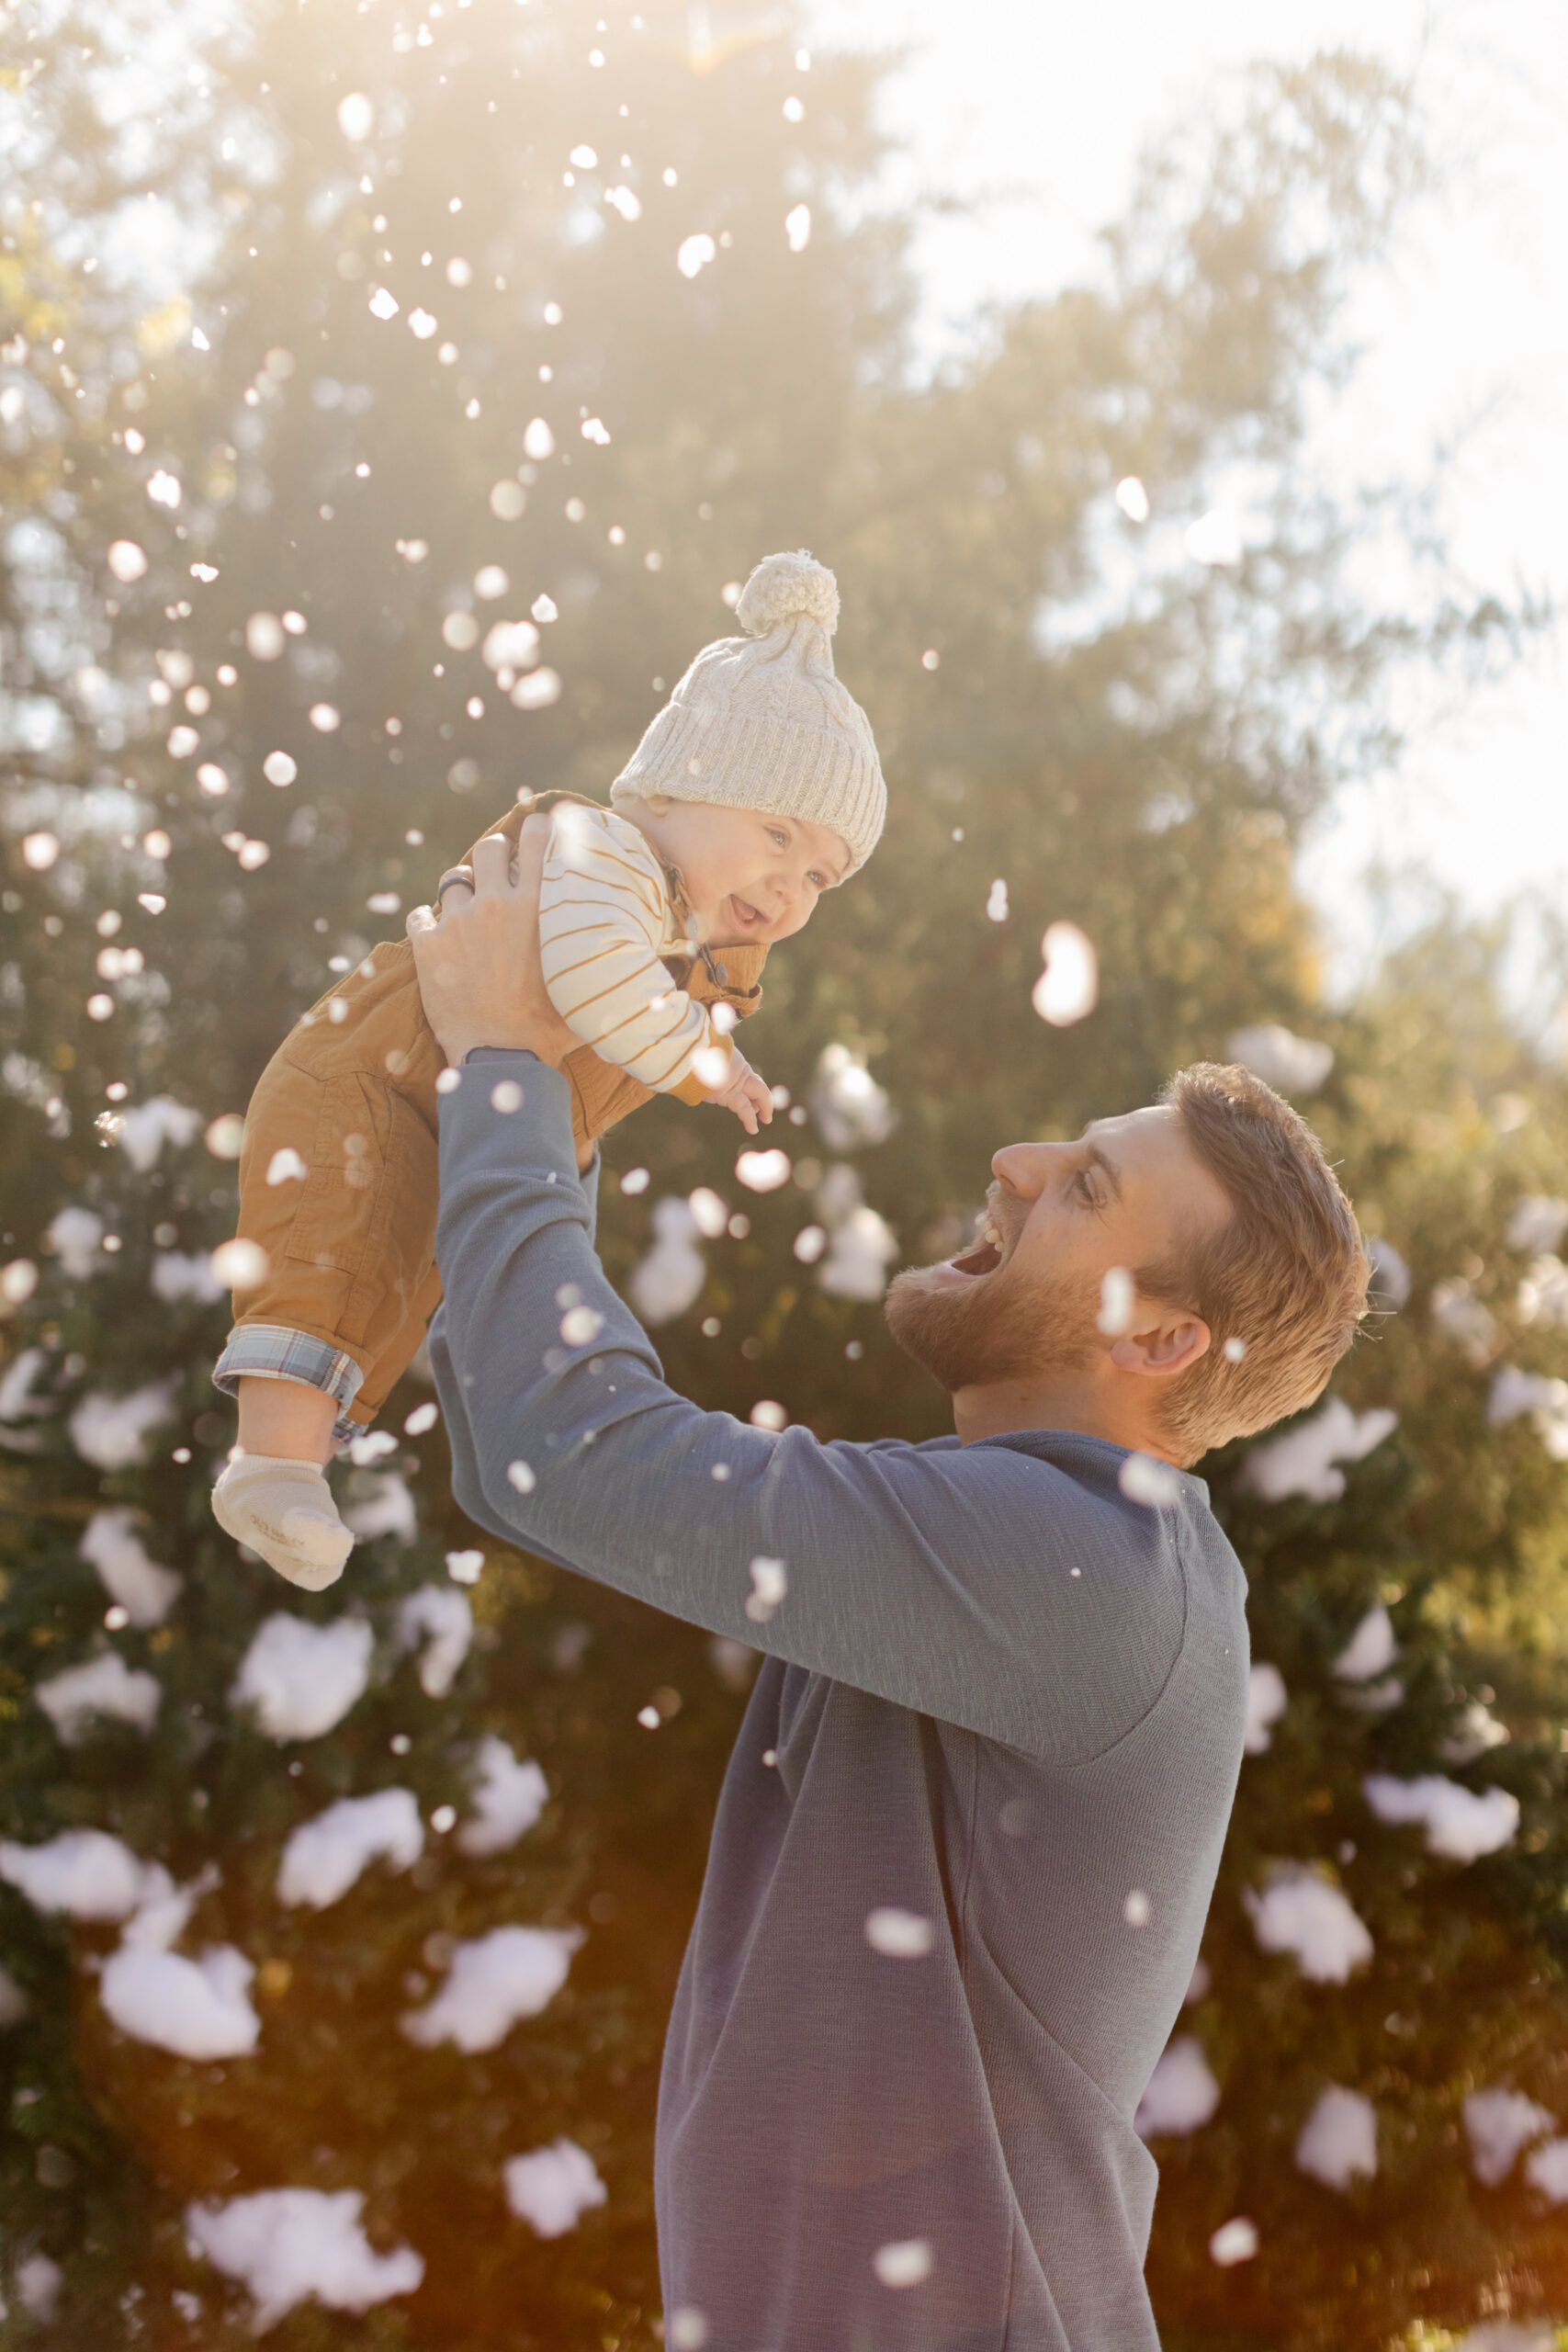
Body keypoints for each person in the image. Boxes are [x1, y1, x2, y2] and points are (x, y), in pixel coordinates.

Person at [403, 827, 1370, 2350]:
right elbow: (533, 1430)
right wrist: (559, 1083)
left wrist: (504, 1066)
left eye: (1082, 1185)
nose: (1014, 1166)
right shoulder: (1034, 1550)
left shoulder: (1074, 1567)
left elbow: (562, 1453)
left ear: (1158, 1340)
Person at [209, 549, 884, 1589]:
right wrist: (702, 1062)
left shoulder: (674, 929)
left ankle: (291, 1470)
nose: (789, 886)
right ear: (679, 785)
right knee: (331, 1260)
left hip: (433, 1115)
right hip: (365, 1088)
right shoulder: (602, 857)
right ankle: (270, 1466)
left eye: (820, 876)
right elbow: (587, 972)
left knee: (388, 1282)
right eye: (775, 832)